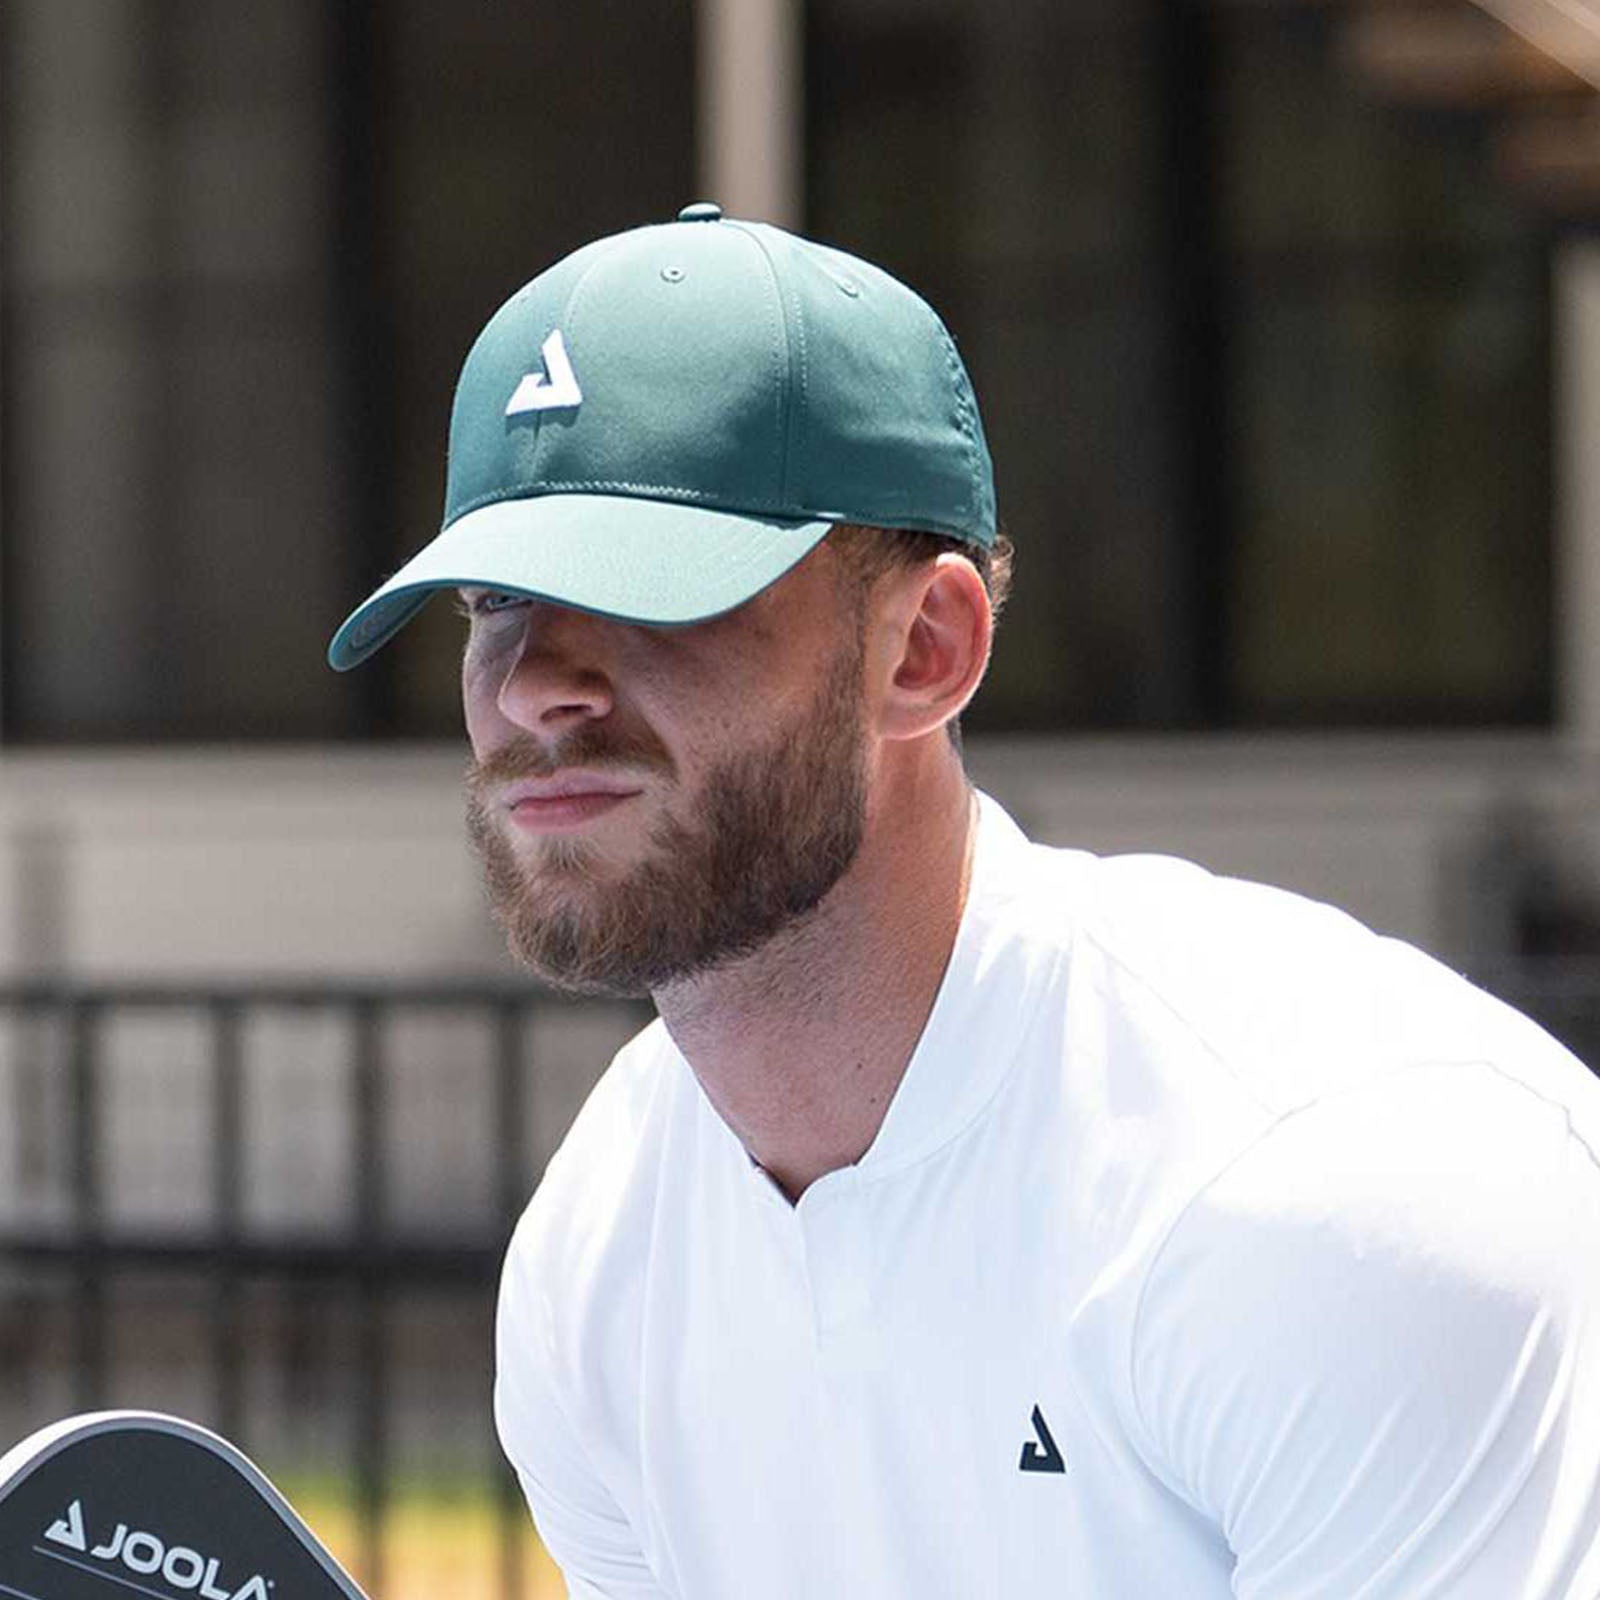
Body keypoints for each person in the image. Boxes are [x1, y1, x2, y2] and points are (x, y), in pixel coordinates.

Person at [329, 205, 1600, 1598]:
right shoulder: (604, 1248)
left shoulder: (1335, 1190)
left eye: (642, 587)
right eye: (493, 600)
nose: (529, 683)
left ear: (925, 648)